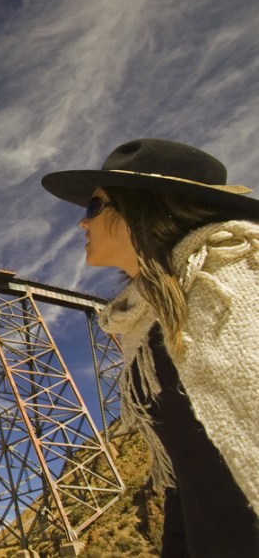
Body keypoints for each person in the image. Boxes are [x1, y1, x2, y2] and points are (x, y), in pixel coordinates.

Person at [41, 138, 259, 556]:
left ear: (145, 206)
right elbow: (187, 482)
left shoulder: (234, 283)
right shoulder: (144, 324)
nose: (82, 223)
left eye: (93, 207)